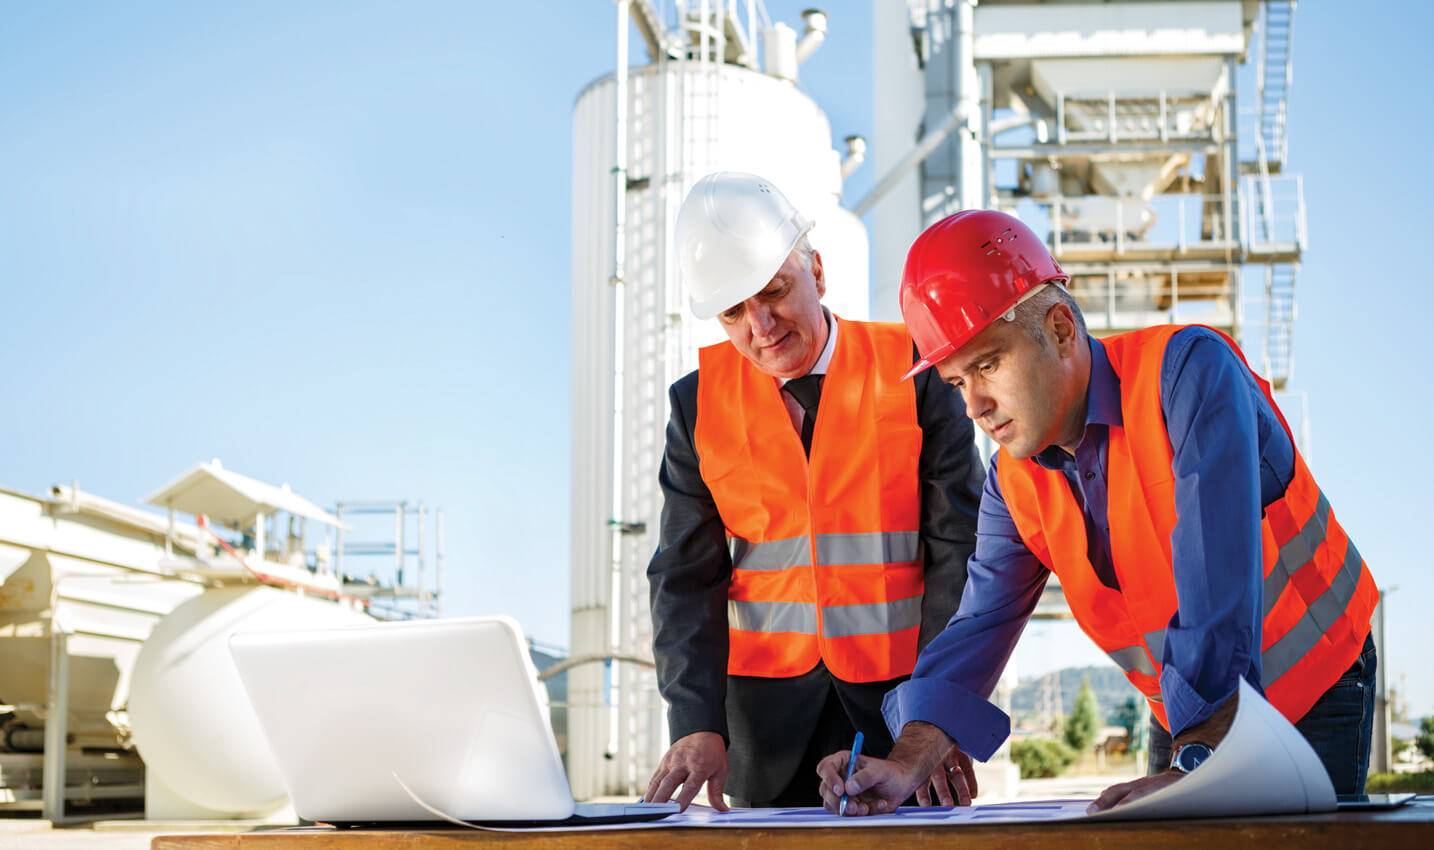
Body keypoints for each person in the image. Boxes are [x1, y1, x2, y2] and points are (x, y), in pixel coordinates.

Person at [818, 209, 1379, 816]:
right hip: (1188, 708)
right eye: (956, 383)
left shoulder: (1188, 374)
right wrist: (906, 758)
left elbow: (1214, 573)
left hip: (1317, 685)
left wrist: (1201, 757)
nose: (974, 405)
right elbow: (979, 625)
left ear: (1060, 329)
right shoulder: (1014, 481)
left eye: (987, 365)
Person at [642, 172, 986, 811]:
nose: (761, 326)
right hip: (759, 733)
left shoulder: (916, 374)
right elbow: (684, 579)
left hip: (902, 715)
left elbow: (961, 556)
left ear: (817, 273)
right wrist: (695, 721)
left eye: (775, 291)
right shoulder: (696, 406)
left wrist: (940, 718)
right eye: (733, 312)